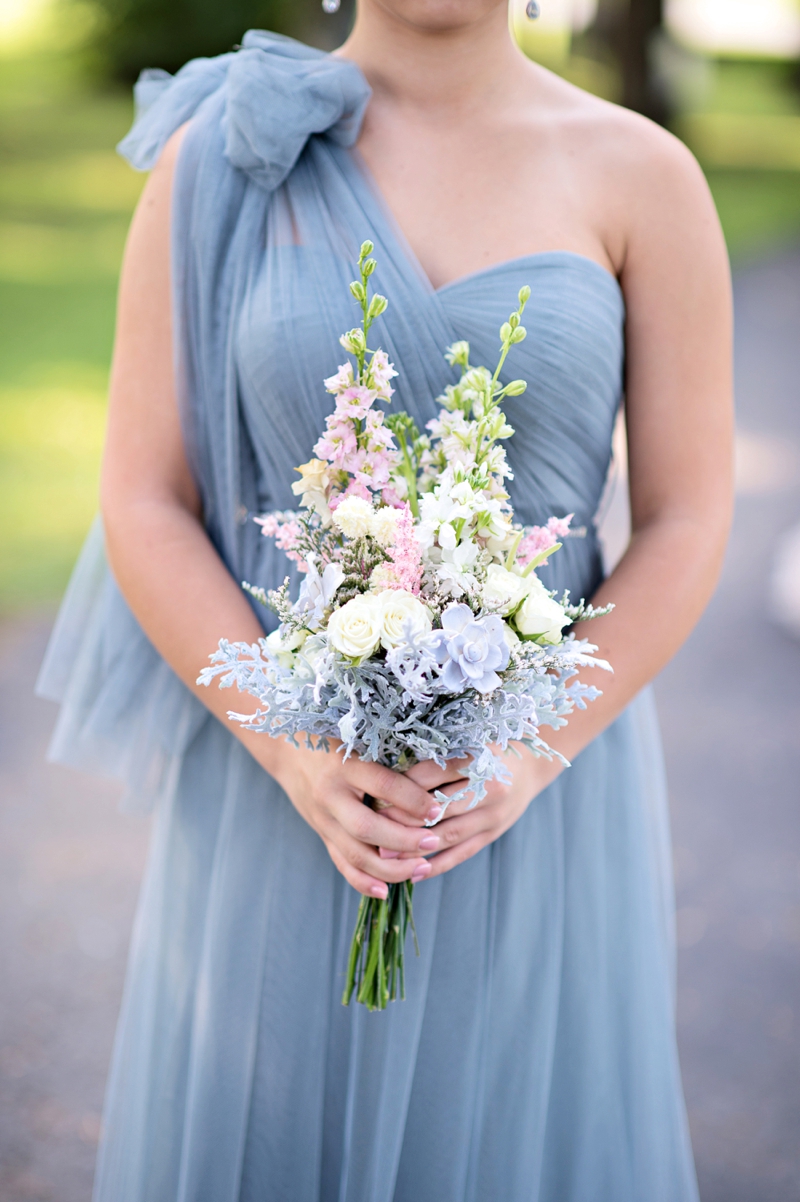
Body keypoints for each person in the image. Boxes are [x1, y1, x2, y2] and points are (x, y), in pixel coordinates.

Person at [37, 2, 733, 1199]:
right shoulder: (219, 156)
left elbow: (686, 515)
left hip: (534, 799)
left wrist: (529, 748)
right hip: (282, 789)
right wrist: (297, 751)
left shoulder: (642, 175)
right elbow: (145, 497)